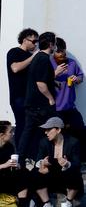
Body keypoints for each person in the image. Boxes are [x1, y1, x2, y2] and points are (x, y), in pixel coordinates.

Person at [17, 32, 62, 164]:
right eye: (54, 43)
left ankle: (21, 160)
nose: (55, 46)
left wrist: (53, 83)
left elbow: (42, 79)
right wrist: (51, 98)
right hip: (40, 105)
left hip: (33, 103)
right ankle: (45, 161)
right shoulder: (43, 58)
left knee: (30, 133)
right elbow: (40, 84)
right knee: (49, 130)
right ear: (50, 44)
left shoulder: (39, 57)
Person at [32, 117, 83, 207]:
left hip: (65, 176)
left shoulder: (73, 142)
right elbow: (37, 160)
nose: (45, 132)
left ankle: (68, 201)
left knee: (76, 173)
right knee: (35, 172)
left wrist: (67, 164)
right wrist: (42, 162)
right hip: (50, 175)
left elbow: (77, 163)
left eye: (48, 130)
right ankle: (46, 203)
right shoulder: (44, 142)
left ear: (58, 130)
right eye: (45, 130)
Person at [6, 28, 39, 145]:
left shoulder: (30, 55)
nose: (36, 44)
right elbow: (15, 68)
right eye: (34, 41)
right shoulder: (14, 52)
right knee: (22, 124)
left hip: (30, 96)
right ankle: (19, 155)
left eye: (37, 41)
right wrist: (33, 57)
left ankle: (27, 154)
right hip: (18, 96)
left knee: (30, 125)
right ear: (25, 40)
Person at [50, 38, 85, 136]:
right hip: (55, 107)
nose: (61, 53)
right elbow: (42, 80)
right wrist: (55, 73)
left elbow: (80, 78)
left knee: (79, 128)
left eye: (63, 50)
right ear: (53, 51)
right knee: (58, 135)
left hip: (70, 105)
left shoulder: (72, 63)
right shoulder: (49, 62)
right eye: (58, 51)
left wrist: (76, 79)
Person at [0, 121, 29, 207]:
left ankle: (22, 204)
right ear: (2, 135)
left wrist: (17, 166)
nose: (13, 134)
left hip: (6, 175)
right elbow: (5, 165)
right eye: (10, 132)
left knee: (24, 173)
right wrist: (4, 165)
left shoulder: (9, 146)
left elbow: (11, 165)